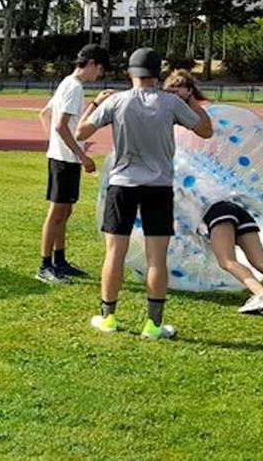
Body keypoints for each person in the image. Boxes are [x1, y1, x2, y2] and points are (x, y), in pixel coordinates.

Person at [76, 48, 213, 340]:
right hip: (159, 187)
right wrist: (190, 100)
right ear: (157, 74)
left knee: (114, 253)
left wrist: (94, 104)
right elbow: (205, 130)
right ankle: (153, 325)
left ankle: (108, 317)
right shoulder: (171, 104)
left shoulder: (116, 102)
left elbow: (80, 132)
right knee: (156, 258)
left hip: (122, 185)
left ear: (130, 72)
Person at [161, 70, 263, 317]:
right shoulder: (199, 168)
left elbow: (179, 219)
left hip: (216, 214)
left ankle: (260, 294)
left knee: (227, 261)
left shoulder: (172, 177)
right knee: (261, 262)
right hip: (236, 208)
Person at [35, 45, 110, 284]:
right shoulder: (74, 86)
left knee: (65, 210)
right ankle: (45, 266)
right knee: (57, 211)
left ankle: (60, 260)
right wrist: (82, 156)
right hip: (64, 159)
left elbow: (47, 114)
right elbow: (60, 125)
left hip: (64, 157)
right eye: (99, 70)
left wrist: (95, 104)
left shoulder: (69, 84)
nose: (98, 75)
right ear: (91, 64)